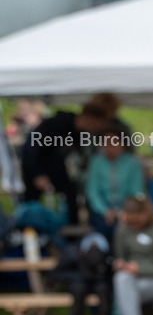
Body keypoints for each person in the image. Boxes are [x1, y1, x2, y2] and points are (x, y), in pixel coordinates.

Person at [20, 95, 116, 224]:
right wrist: (38, 174)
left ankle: (70, 235)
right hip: (37, 172)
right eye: (100, 124)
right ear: (92, 119)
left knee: (71, 198)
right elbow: (31, 149)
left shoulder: (77, 132)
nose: (98, 129)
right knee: (32, 207)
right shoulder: (57, 124)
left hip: (57, 173)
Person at [60, 233, 114, 315]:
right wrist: (79, 277)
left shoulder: (110, 251)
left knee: (104, 290)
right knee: (78, 290)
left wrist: (105, 273)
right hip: (79, 283)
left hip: (101, 285)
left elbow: (112, 274)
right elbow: (57, 272)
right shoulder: (72, 251)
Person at [84, 129, 146, 242]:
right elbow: (92, 191)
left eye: (113, 142)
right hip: (101, 210)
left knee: (126, 226)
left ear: (122, 143)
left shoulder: (132, 163)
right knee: (102, 226)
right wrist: (105, 210)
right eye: (106, 142)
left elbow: (136, 190)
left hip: (127, 209)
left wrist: (123, 211)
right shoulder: (96, 162)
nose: (109, 146)